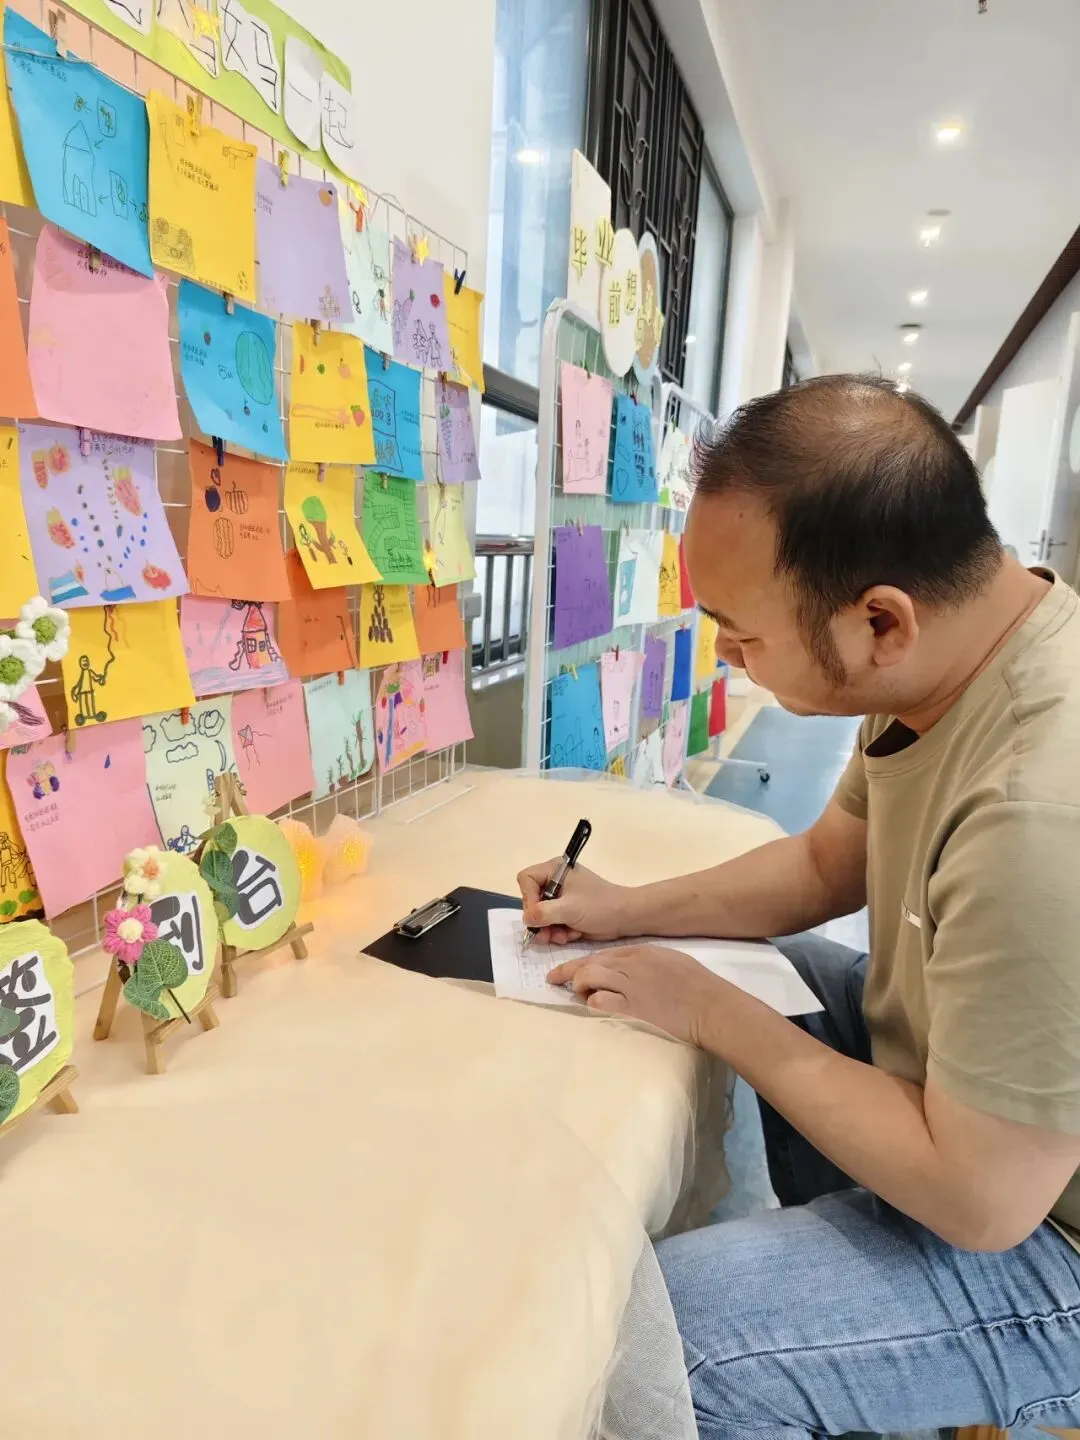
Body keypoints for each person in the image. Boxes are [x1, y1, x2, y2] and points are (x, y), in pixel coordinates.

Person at [518, 376, 1080, 1440]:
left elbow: (986, 1202)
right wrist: (624, 908)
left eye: (739, 634)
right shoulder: (948, 657)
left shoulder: (1039, 808)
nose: (724, 656)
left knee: (663, 1344)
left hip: (1046, 1232)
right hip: (992, 1135)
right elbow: (826, 864)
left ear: (880, 621)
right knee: (776, 975)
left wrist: (710, 1009)